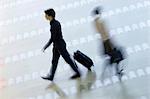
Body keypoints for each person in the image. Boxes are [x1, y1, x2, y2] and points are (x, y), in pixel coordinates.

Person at [41, 8, 81, 81]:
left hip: (60, 46)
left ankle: (78, 73)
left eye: (46, 15)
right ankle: (51, 76)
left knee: (68, 60)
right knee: (54, 61)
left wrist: (46, 46)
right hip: (57, 46)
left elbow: (52, 38)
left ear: (50, 16)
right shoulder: (55, 23)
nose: (45, 16)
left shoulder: (54, 25)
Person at [92, 7, 125, 80]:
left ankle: (115, 70)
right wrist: (112, 42)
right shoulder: (101, 22)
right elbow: (106, 32)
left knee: (112, 56)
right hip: (107, 41)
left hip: (104, 42)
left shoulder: (95, 22)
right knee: (116, 56)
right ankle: (116, 71)